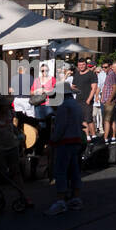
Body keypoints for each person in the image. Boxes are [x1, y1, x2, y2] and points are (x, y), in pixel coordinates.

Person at [46, 83, 85, 216]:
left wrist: (53, 141)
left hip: (65, 141)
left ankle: (60, 201)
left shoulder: (64, 107)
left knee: (61, 171)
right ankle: (76, 197)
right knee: (74, 170)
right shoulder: (76, 105)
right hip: (76, 140)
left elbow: (60, 127)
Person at [71, 59, 98, 142]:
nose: (81, 66)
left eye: (83, 65)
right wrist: (74, 89)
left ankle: (93, 136)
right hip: (78, 100)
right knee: (81, 119)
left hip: (87, 100)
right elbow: (73, 86)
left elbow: (94, 88)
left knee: (89, 119)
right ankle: (87, 136)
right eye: (79, 65)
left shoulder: (91, 74)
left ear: (86, 65)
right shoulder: (77, 74)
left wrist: (89, 99)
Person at [99, 61, 116, 144]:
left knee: (106, 120)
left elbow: (115, 88)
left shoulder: (111, 75)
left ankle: (105, 138)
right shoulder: (109, 74)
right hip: (108, 100)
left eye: (106, 67)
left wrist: (109, 99)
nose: (104, 69)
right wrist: (102, 97)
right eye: (103, 67)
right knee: (112, 119)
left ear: (110, 66)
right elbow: (105, 87)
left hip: (110, 101)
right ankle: (113, 137)